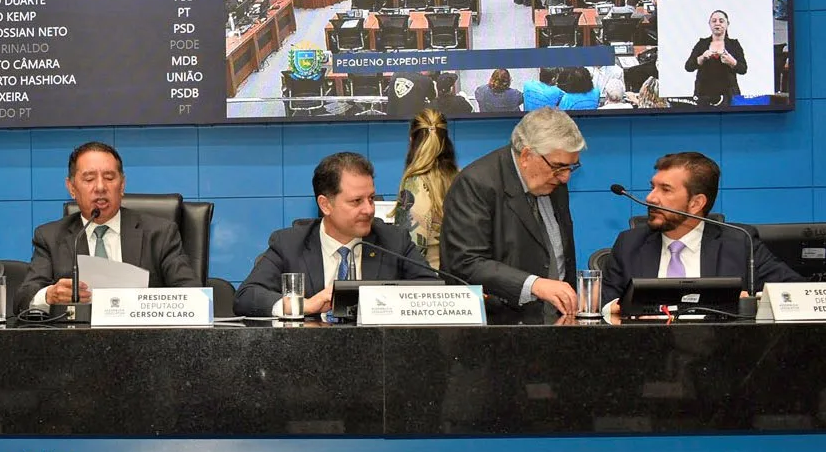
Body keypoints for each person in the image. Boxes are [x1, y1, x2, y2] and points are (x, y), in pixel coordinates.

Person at [235, 152, 437, 317]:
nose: (368, 209)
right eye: (356, 201)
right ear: (325, 204)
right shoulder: (290, 244)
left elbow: (433, 291)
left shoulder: (393, 241)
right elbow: (246, 296)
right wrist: (304, 305)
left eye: (371, 198)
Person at [440, 107, 584, 324]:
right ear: (526, 155)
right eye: (558, 167)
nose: (565, 178)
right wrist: (534, 284)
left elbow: (557, 255)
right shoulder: (476, 184)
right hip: (498, 330)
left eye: (571, 167)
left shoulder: (553, 183)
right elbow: (466, 263)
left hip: (555, 325)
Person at [600, 152, 800, 308]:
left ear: (696, 203)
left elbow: (794, 291)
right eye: (652, 187)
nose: (651, 198)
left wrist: (754, 302)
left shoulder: (739, 243)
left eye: (665, 189)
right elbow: (603, 301)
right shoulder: (629, 244)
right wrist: (615, 308)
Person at [19, 141, 199, 310]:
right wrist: (49, 296)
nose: (100, 187)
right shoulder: (50, 237)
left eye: (109, 178)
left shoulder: (160, 233)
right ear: (72, 188)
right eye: (89, 179)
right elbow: (23, 299)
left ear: (122, 185)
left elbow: (193, 294)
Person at [391, 110, 460, 269]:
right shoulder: (463, 179)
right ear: (446, 140)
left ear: (411, 140)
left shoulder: (414, 186)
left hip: (428, 285)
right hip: (464, 284)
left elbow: (409, 253)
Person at [684, 9, 746, 106]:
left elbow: (743, 69)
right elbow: (688, 67)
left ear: (727, 24)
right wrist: (702, 58)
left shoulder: (734, 44)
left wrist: (732, 62)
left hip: (728, 95)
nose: (717, 24)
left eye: (721, 21)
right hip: (703, 95)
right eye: (714, 21)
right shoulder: (702, 44)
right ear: (709, 24)